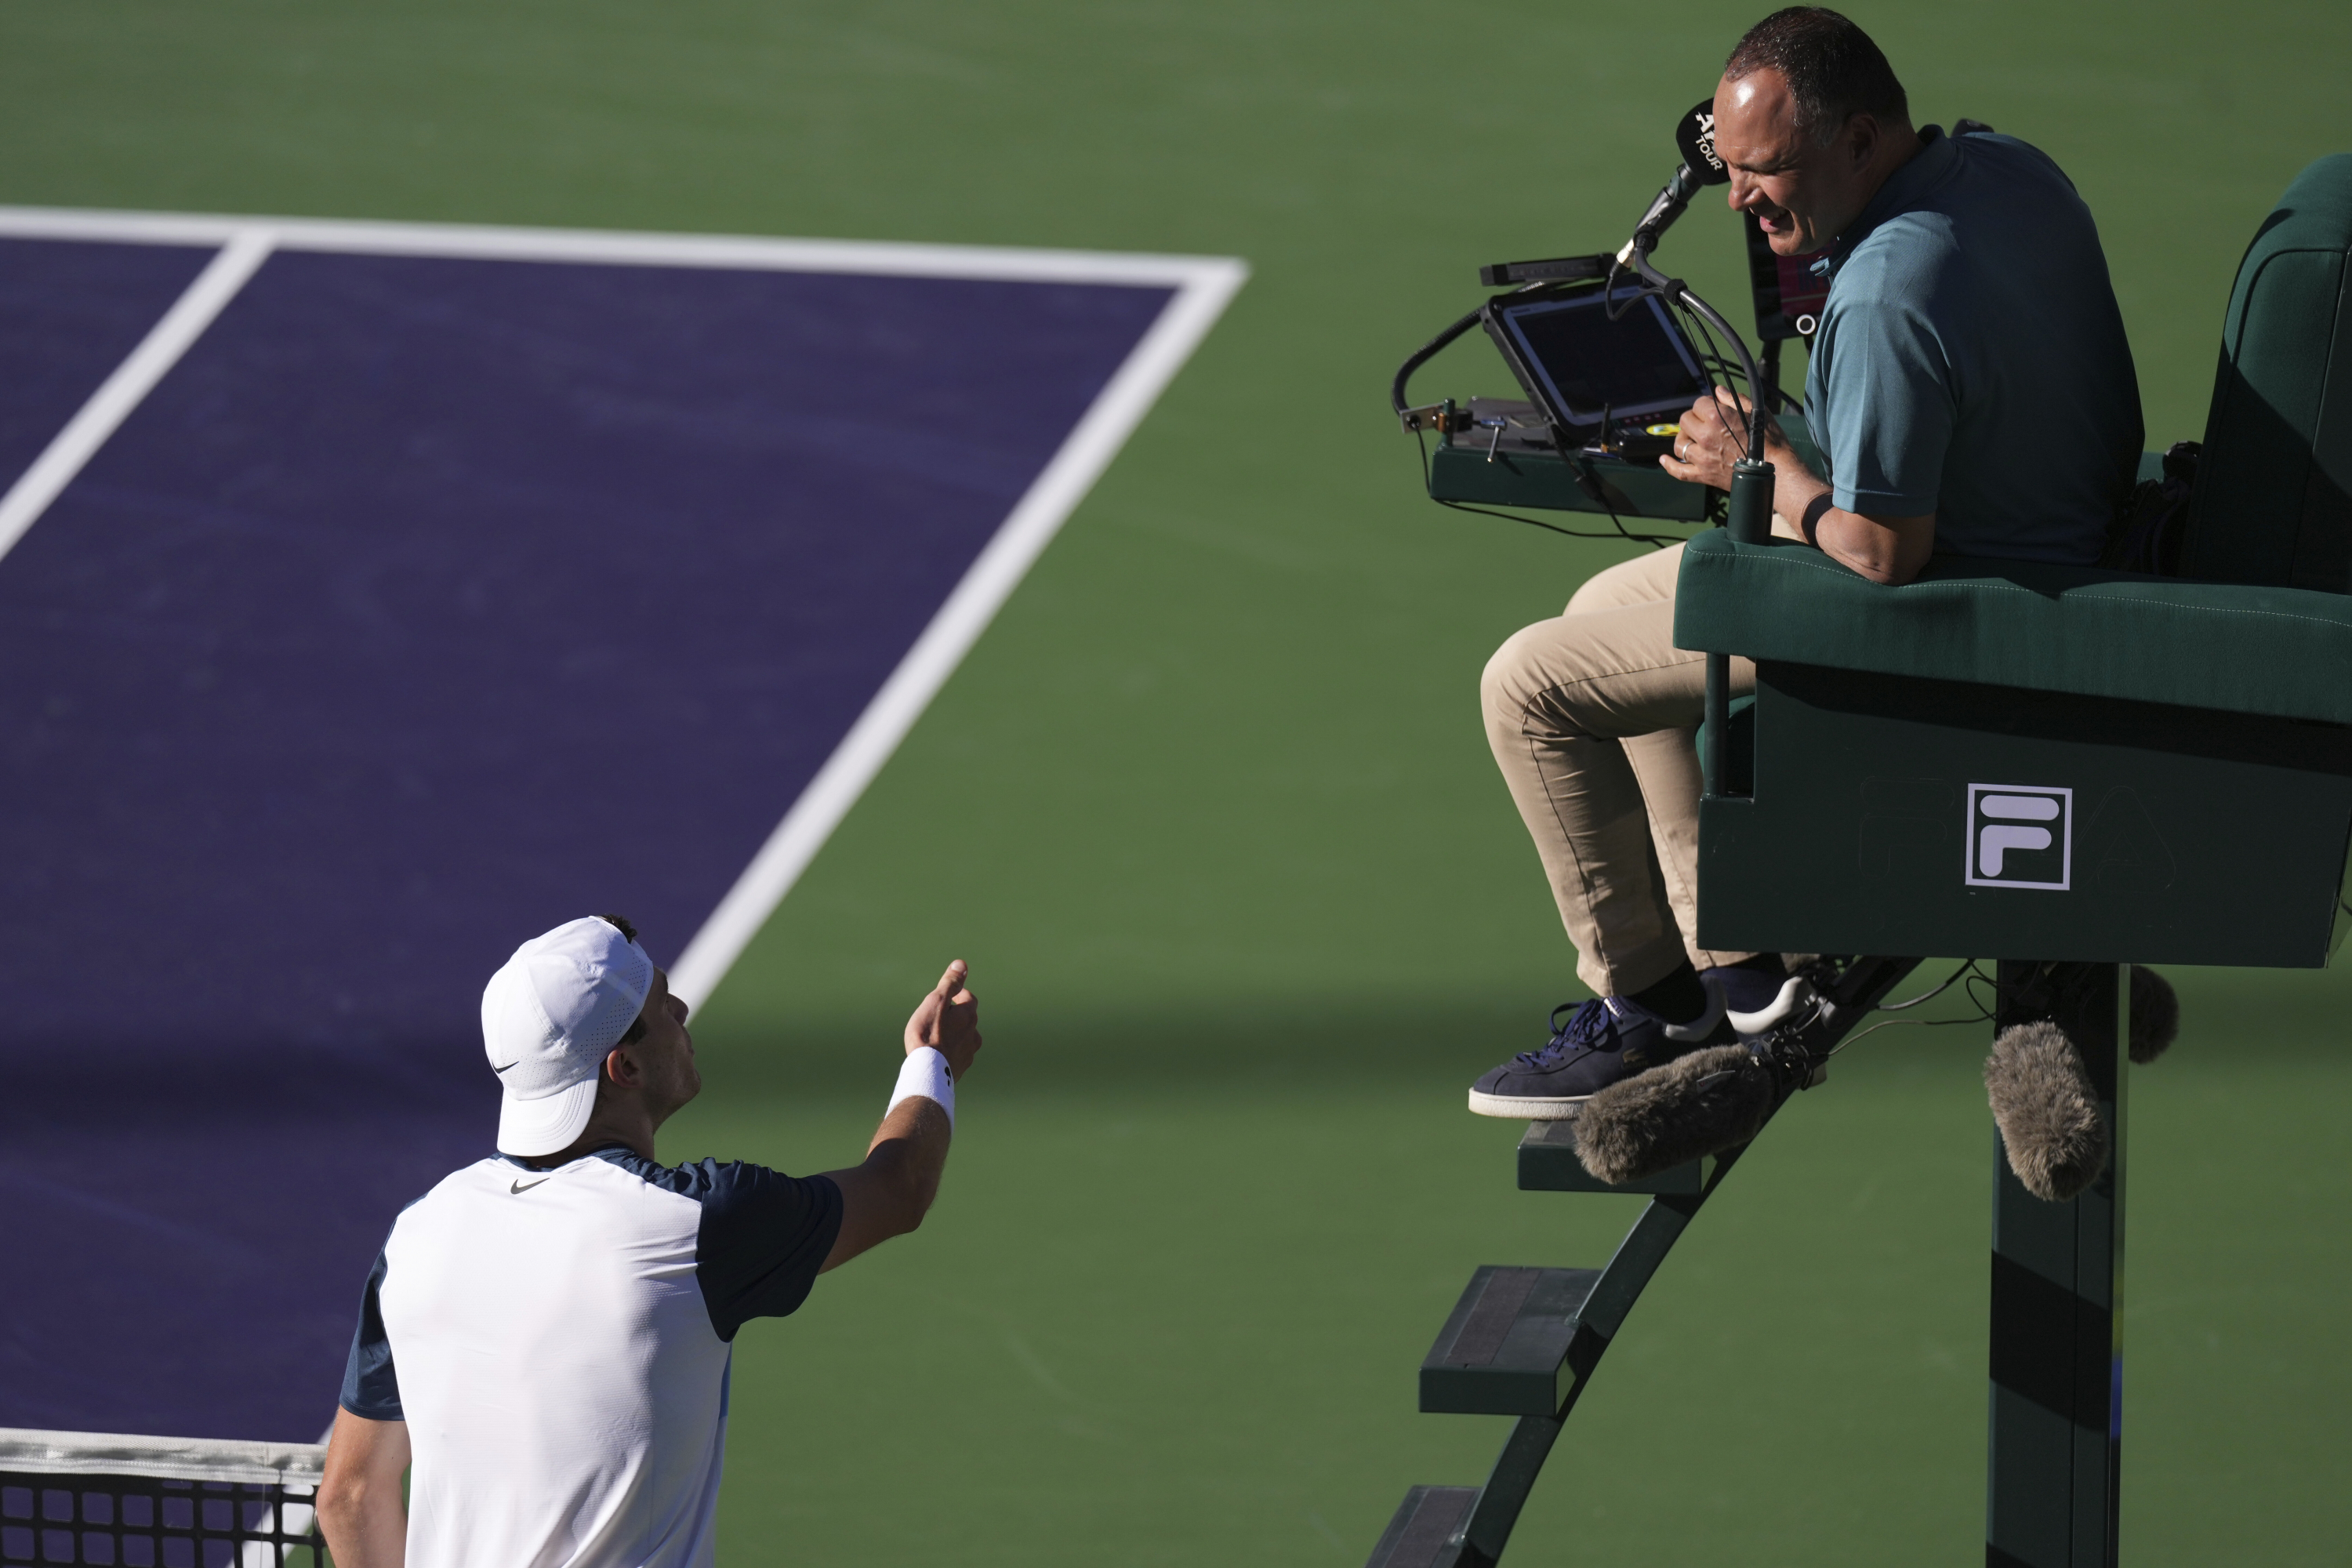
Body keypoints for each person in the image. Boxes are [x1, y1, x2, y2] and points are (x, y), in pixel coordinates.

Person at [1468, 5, 2142, 1116]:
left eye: (1767, 172)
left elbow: (1881, 552)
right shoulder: (2007, 168)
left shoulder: (1886, 291)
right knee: (1600, 606)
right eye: (1728, 170)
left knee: (1530, 684)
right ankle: (1732, 961)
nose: (1741, 200)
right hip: (2040, 534)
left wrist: (1765, 461)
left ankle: (1644, 1006)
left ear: (1863, 140)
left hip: (1955, 608)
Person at [314, 914, 982, 1566]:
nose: (684, 1008)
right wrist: (933, 1064)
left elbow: (348, 1495)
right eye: (663, 1002)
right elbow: (900, 1187)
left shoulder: (417, 1237)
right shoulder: (697, 1225)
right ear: (625, 1067)